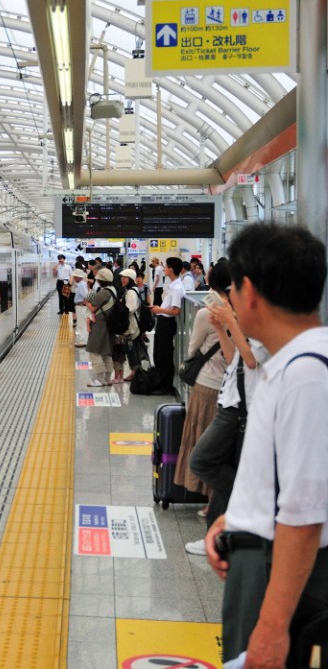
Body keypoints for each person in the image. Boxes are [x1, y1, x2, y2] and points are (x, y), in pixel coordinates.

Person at [204, 224, 328, 667]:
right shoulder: (293, 365)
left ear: (250, 292)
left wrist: (273, 627)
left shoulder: (307, 375)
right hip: (261, 555)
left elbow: (305, 512)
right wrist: (234, 518)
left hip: (278, 570)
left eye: (233, 290)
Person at [185, 294, 268, 555]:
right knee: (223, 467)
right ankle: (216, 537)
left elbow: (252, 360)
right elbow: (235, 360)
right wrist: (221, 329)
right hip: (230, 401)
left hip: (240, 410)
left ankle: (251, 500)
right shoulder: (248, 323)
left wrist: (231, 322)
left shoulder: (265, 324)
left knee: (202, 461)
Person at [173, 259, 231, 498]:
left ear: (211, 280)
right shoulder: (242, 313)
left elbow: (192, 349)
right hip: (233, 390)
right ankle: (216, 498)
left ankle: (207, 497)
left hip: (207, 384)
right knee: (224, 447)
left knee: (200, 440)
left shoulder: (207, 313)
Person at [150, 257, 184, 394]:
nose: (164, 269)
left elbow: (176, 311)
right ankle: (160, 382)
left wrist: (160, 310)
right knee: (159, 353)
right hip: (163, 321)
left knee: (165, 355)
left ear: (171, 269)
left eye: (166, 266)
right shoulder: (173, 285)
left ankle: (166, 386)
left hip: (167, 324)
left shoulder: (177, 288)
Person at [85, 268, 117, 387]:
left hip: (99, 324)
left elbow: (92, 307)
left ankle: (98, 380)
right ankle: (107, 379)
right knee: (106, 352)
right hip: (108, 324)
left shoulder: (103, 293)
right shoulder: (113, 290)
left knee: (95, 351)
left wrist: (86, 301)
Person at [112, 268, 141, 384]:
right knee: (132, 349)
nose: (122, 280)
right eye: (122, 277)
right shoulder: (132, 290)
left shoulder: (130, 292)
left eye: (125, 278)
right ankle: (135, 372)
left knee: (131, 349)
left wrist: (120, 312)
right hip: (132, 324)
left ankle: (135, 373)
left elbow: (130, 308)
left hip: (130, 326)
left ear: (131, 279)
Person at [72, 269, 89, 347]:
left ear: (79, 277)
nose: (74, 278)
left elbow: (86, 296)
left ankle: (82, 341)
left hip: (81, 307)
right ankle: (83, 340)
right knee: (81, 324)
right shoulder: (80, 284)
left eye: (75, 276)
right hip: (80, 306)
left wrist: (83, 303)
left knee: (81, 324)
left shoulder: (81, 285)